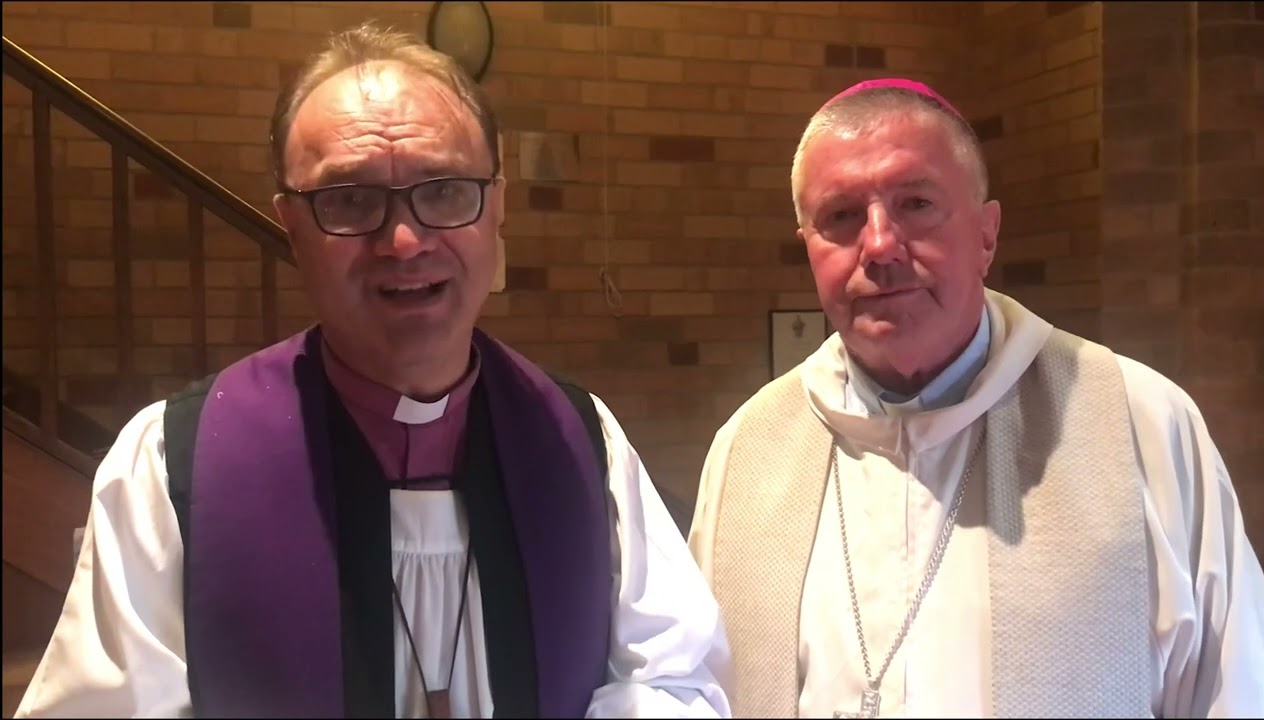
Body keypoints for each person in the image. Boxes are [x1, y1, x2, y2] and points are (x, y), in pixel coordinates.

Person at [18, 24, 731, 719]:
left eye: (445, 190)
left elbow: (674, 679)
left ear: (498, 207)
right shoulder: (174, 460)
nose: (405, 241)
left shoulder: (581, 441)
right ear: (291, 225)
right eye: (350, 200)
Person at [688, 77, 1264, 719]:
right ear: (808, 247)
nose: (879, 245)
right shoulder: (747, 449)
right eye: (841, 216)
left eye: (916, 203)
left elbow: (1240, 692)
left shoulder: (1139, 423)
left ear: (987, 235)